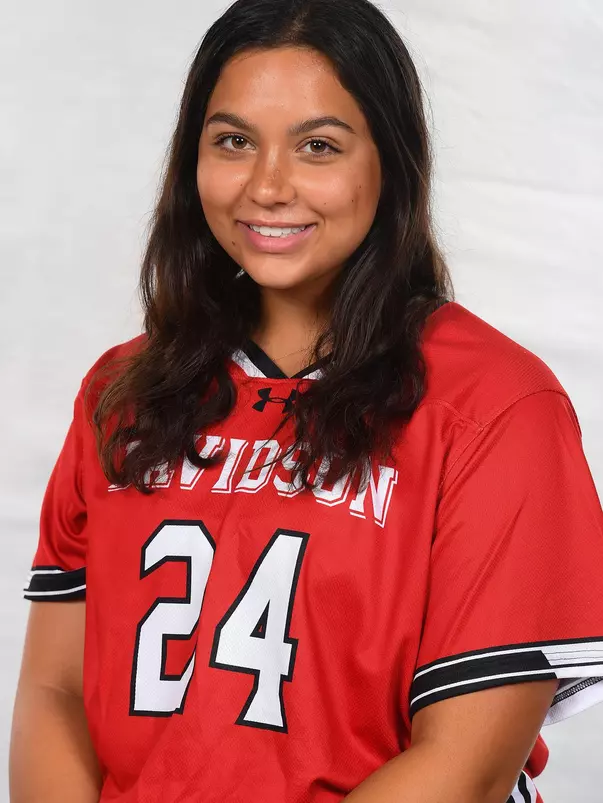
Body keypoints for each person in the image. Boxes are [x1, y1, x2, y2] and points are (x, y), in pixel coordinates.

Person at [9, 0, 603, 801]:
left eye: (317, 146)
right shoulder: (122, 392)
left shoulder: (496, 407)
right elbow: (55, 691)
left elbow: (462, 768)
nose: (267, 185)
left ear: (388, 162)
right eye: (233, 141)